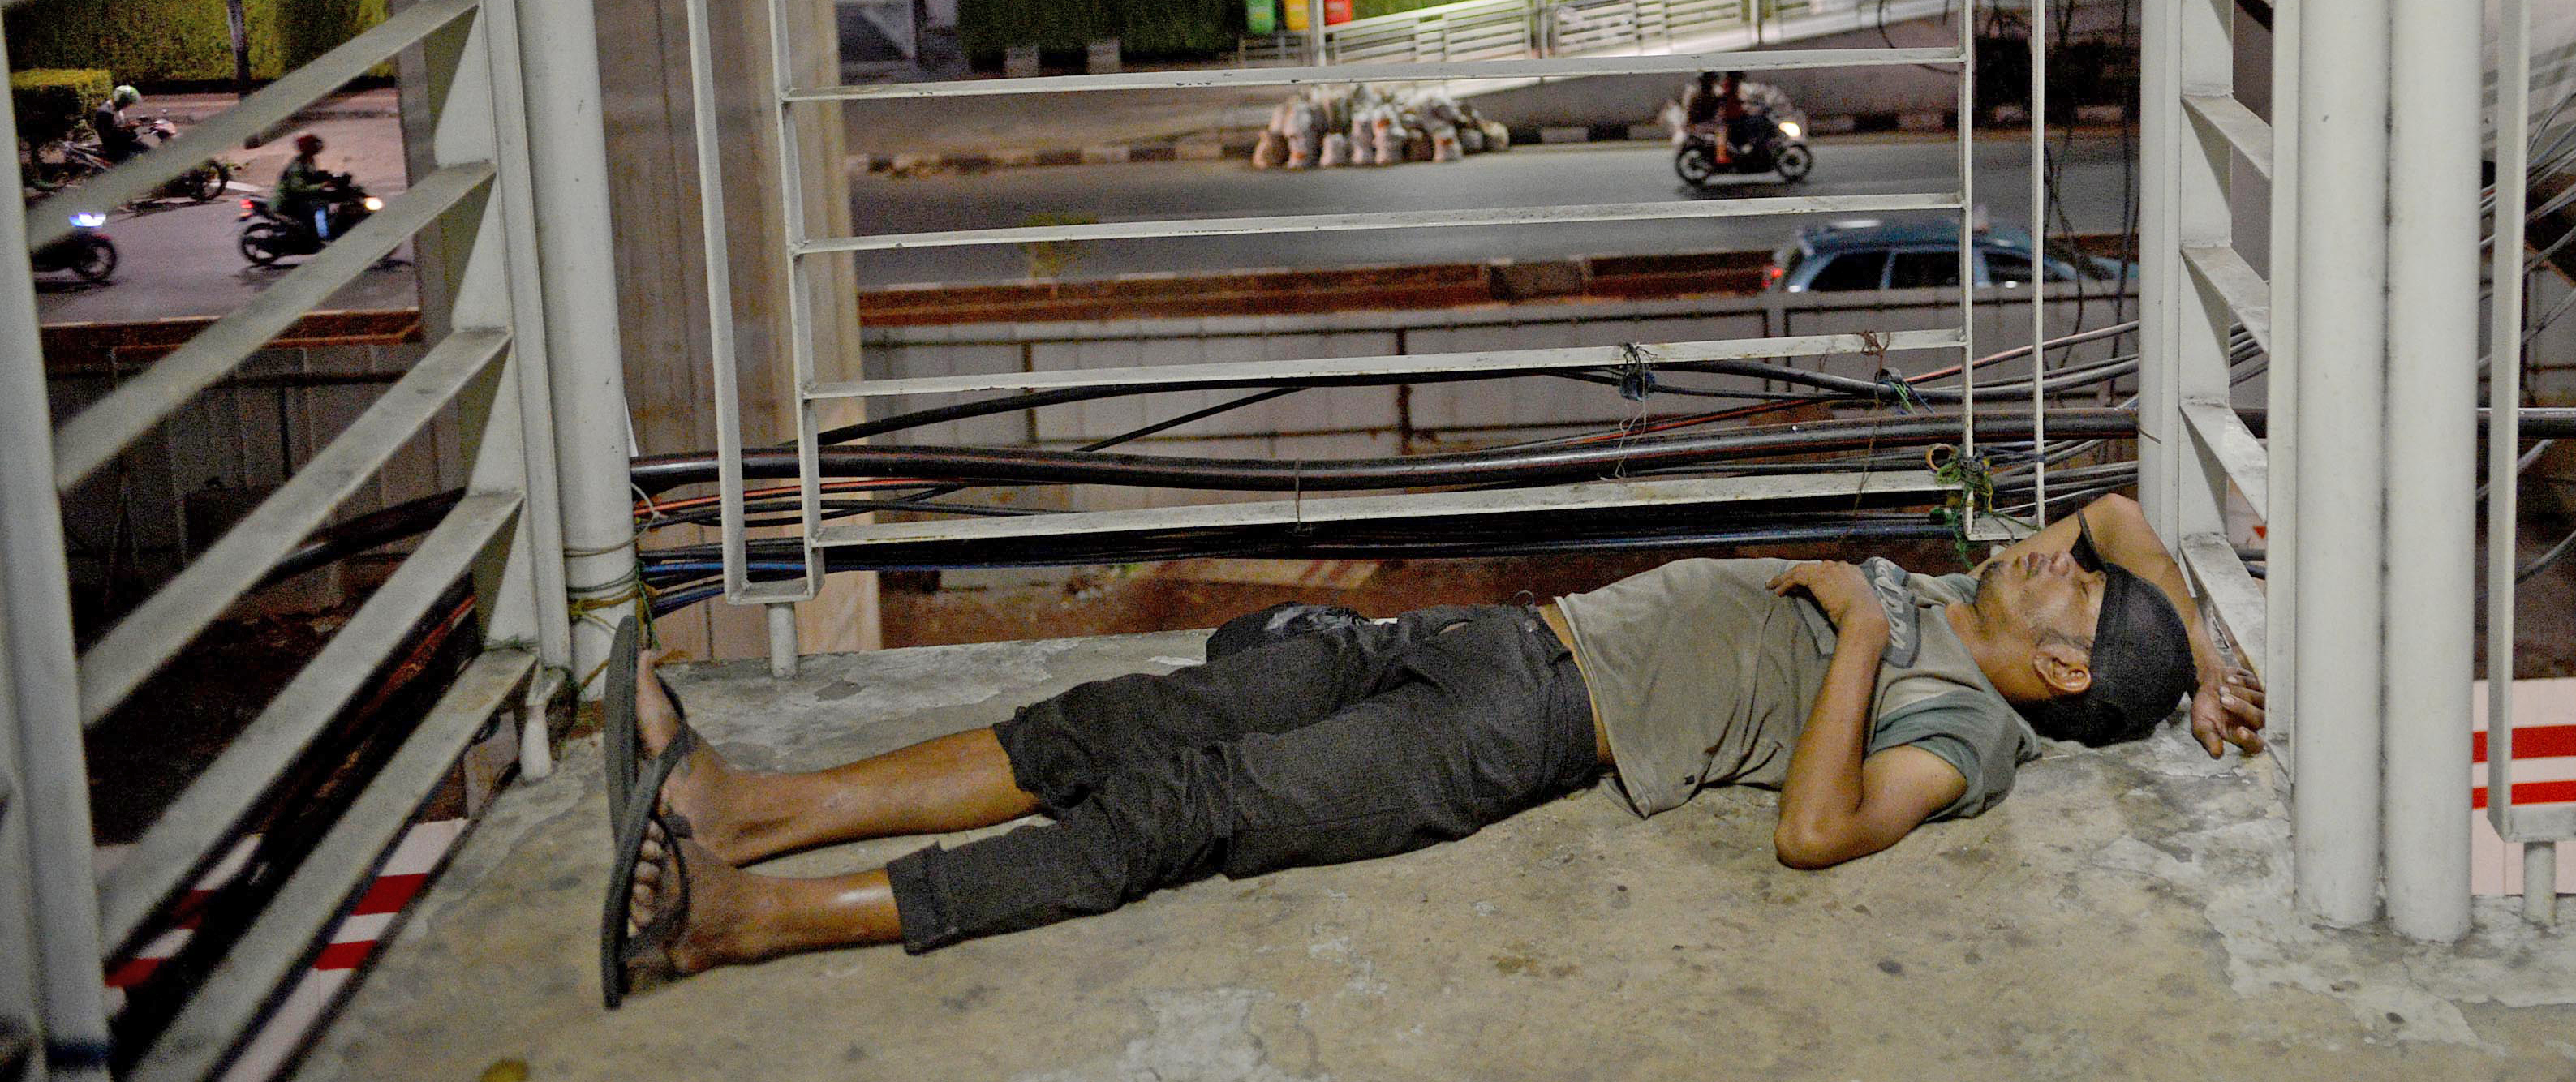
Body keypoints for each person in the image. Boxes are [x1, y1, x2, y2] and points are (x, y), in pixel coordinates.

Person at [612, 493, 2259, 989]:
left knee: (1181, 808)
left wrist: (1854, 631)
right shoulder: (2004, 611)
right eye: (2063, 554)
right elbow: (2126, 502)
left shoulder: (1963, 724)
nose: (2058, 538)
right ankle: (752, 803)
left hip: (1527, 725)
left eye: (2069, 577)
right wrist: (2201, 640)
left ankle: (744, 914)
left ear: (2053, 667)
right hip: (1503, 635)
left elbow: (1819, 830)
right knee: (1116, 718)